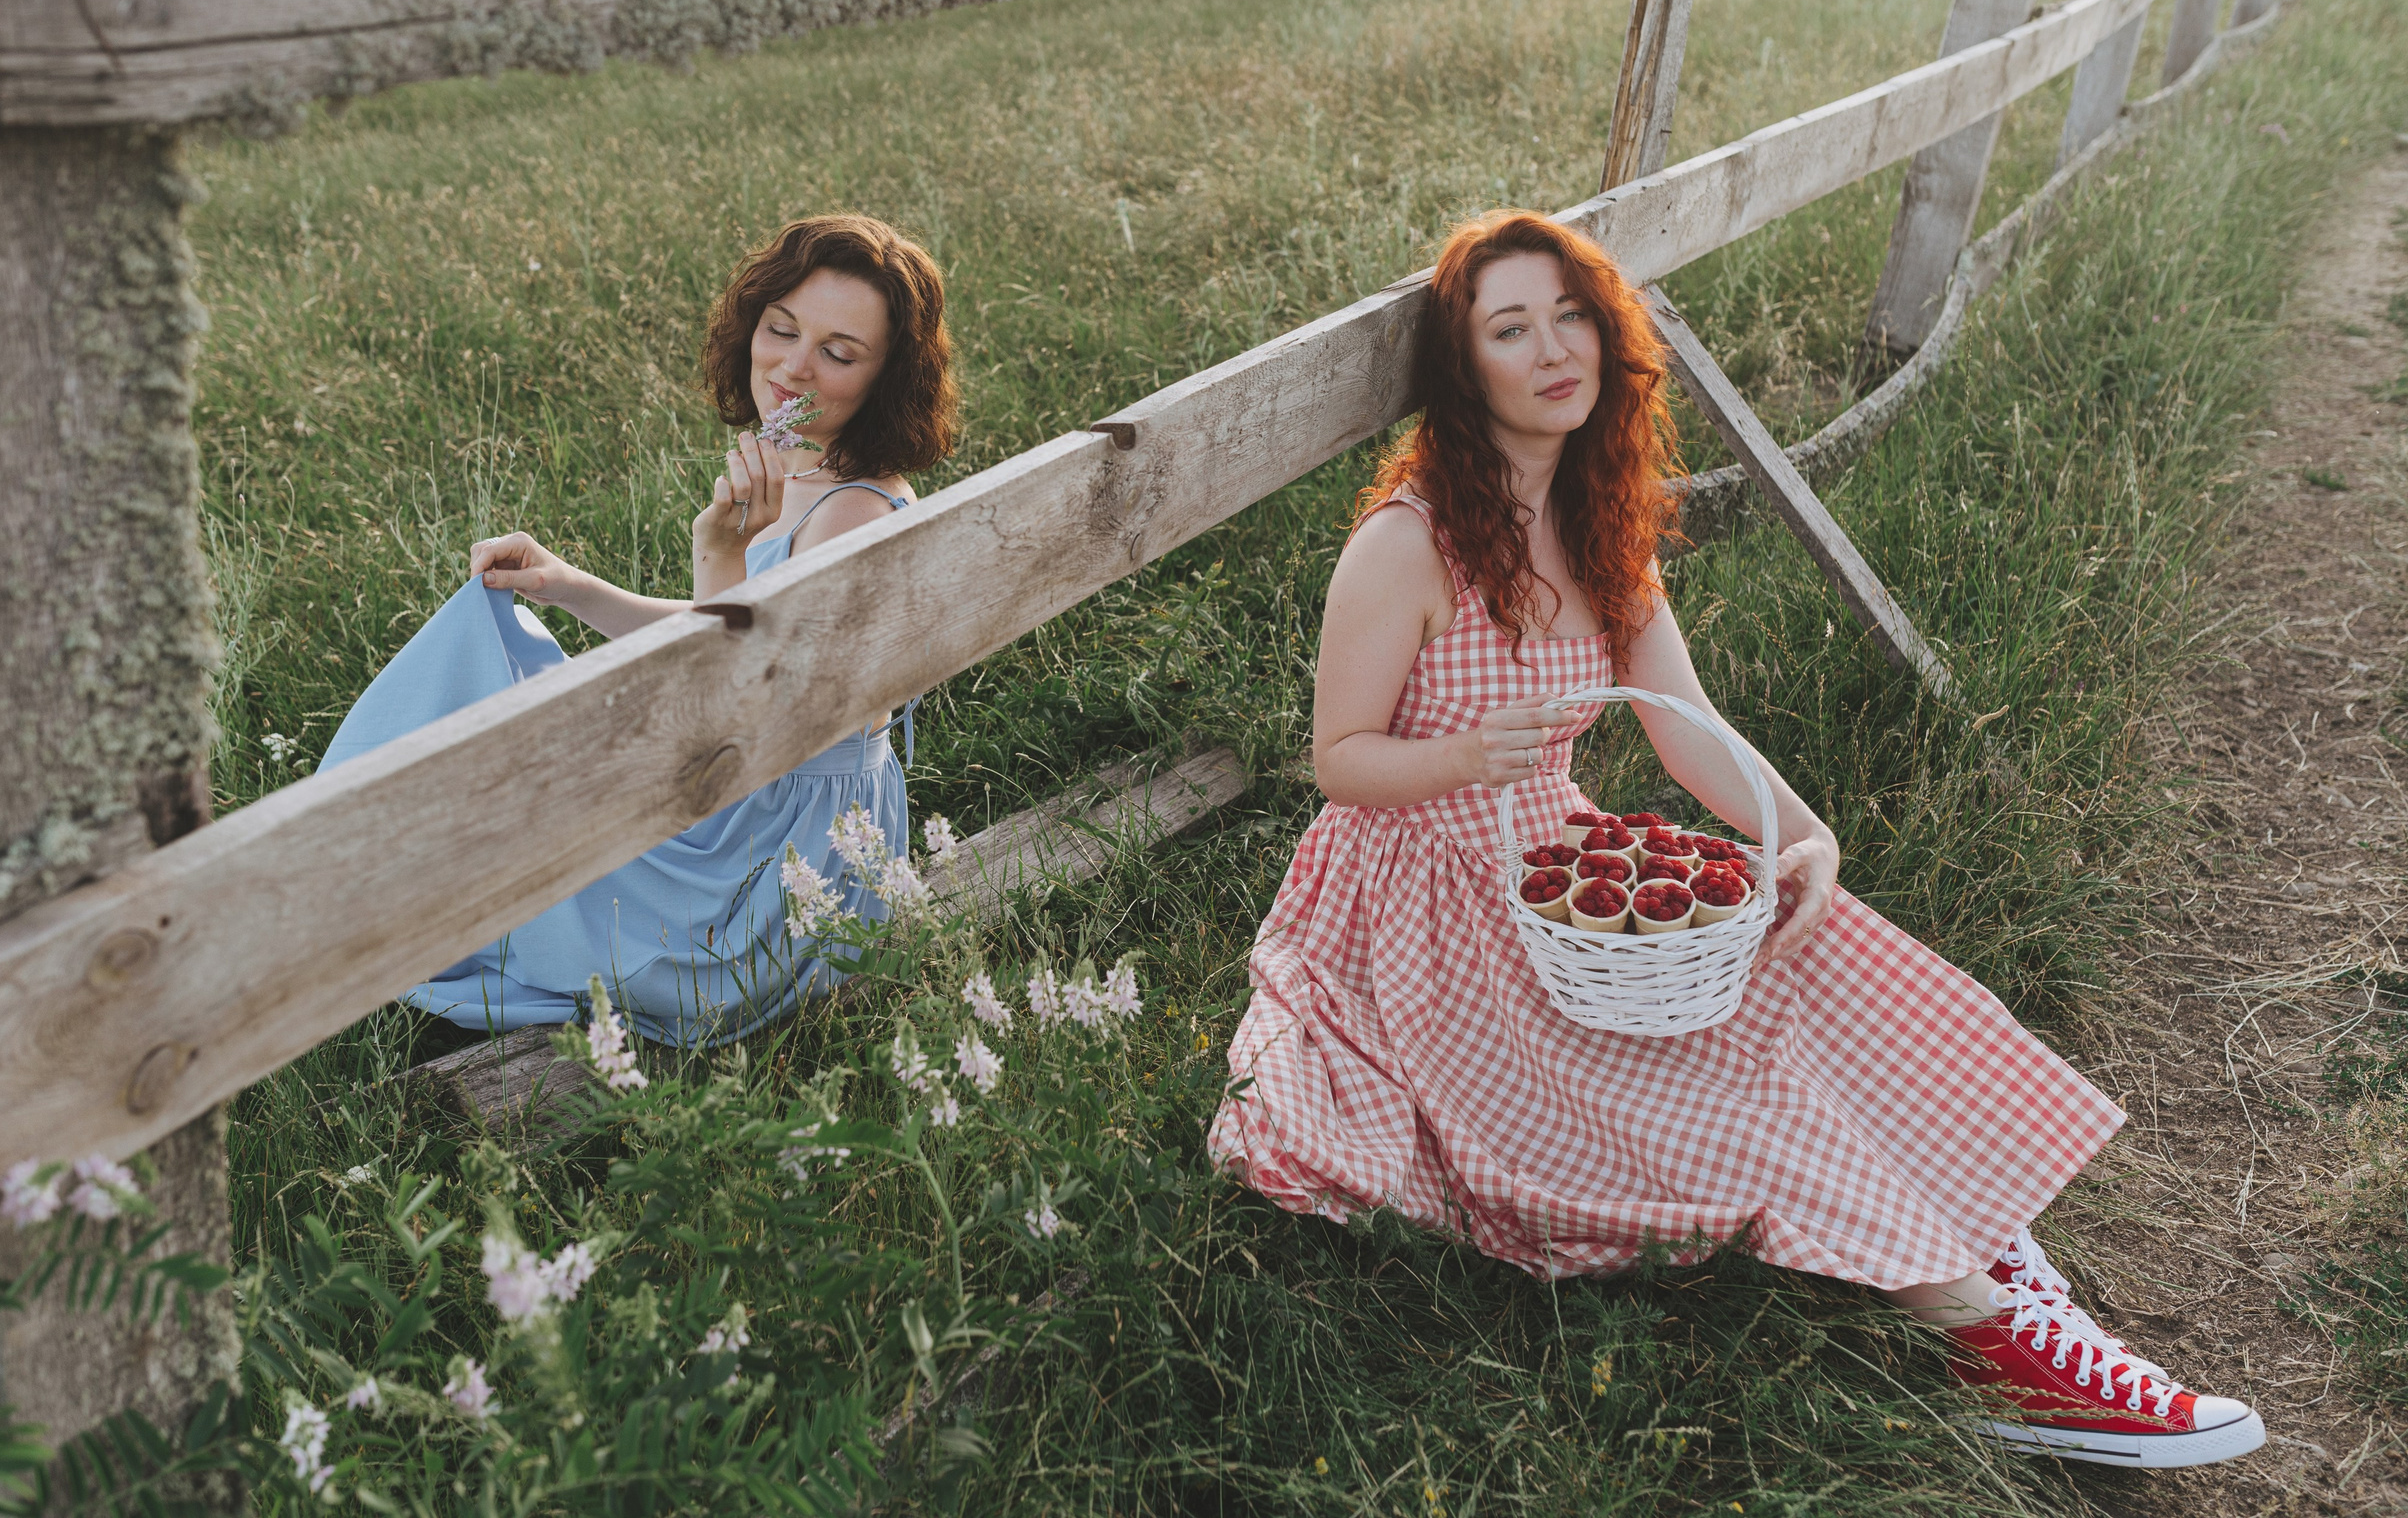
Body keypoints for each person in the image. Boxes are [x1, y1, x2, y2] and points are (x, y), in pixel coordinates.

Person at [1206, 209, 2263, 1469]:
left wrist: (1800, 833)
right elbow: (1336, 761)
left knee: (1811, 948)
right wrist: (1461, 758)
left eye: (1569, 315)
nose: (1553, 348)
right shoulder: (1408, 542)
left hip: (1555, 862)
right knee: (1720, 1083)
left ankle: (1989, 1246)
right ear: (1462, 368)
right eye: (1509, 328)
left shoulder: (1601, 525)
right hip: (1416, 898)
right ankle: (1995, 1348)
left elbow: (1686, 728)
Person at [318, 214, 958, 1047]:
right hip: (750, 798)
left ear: (886, 379)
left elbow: (739, 710)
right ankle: (343, 874)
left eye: (839, 353)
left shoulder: (857, 519)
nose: (793, 367)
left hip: (776, 866)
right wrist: (568, 584)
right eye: (781, 329)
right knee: (489, 702)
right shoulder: (805, 471)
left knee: (517, 812)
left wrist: (718, 550)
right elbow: (726, 641)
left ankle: (334, 894)